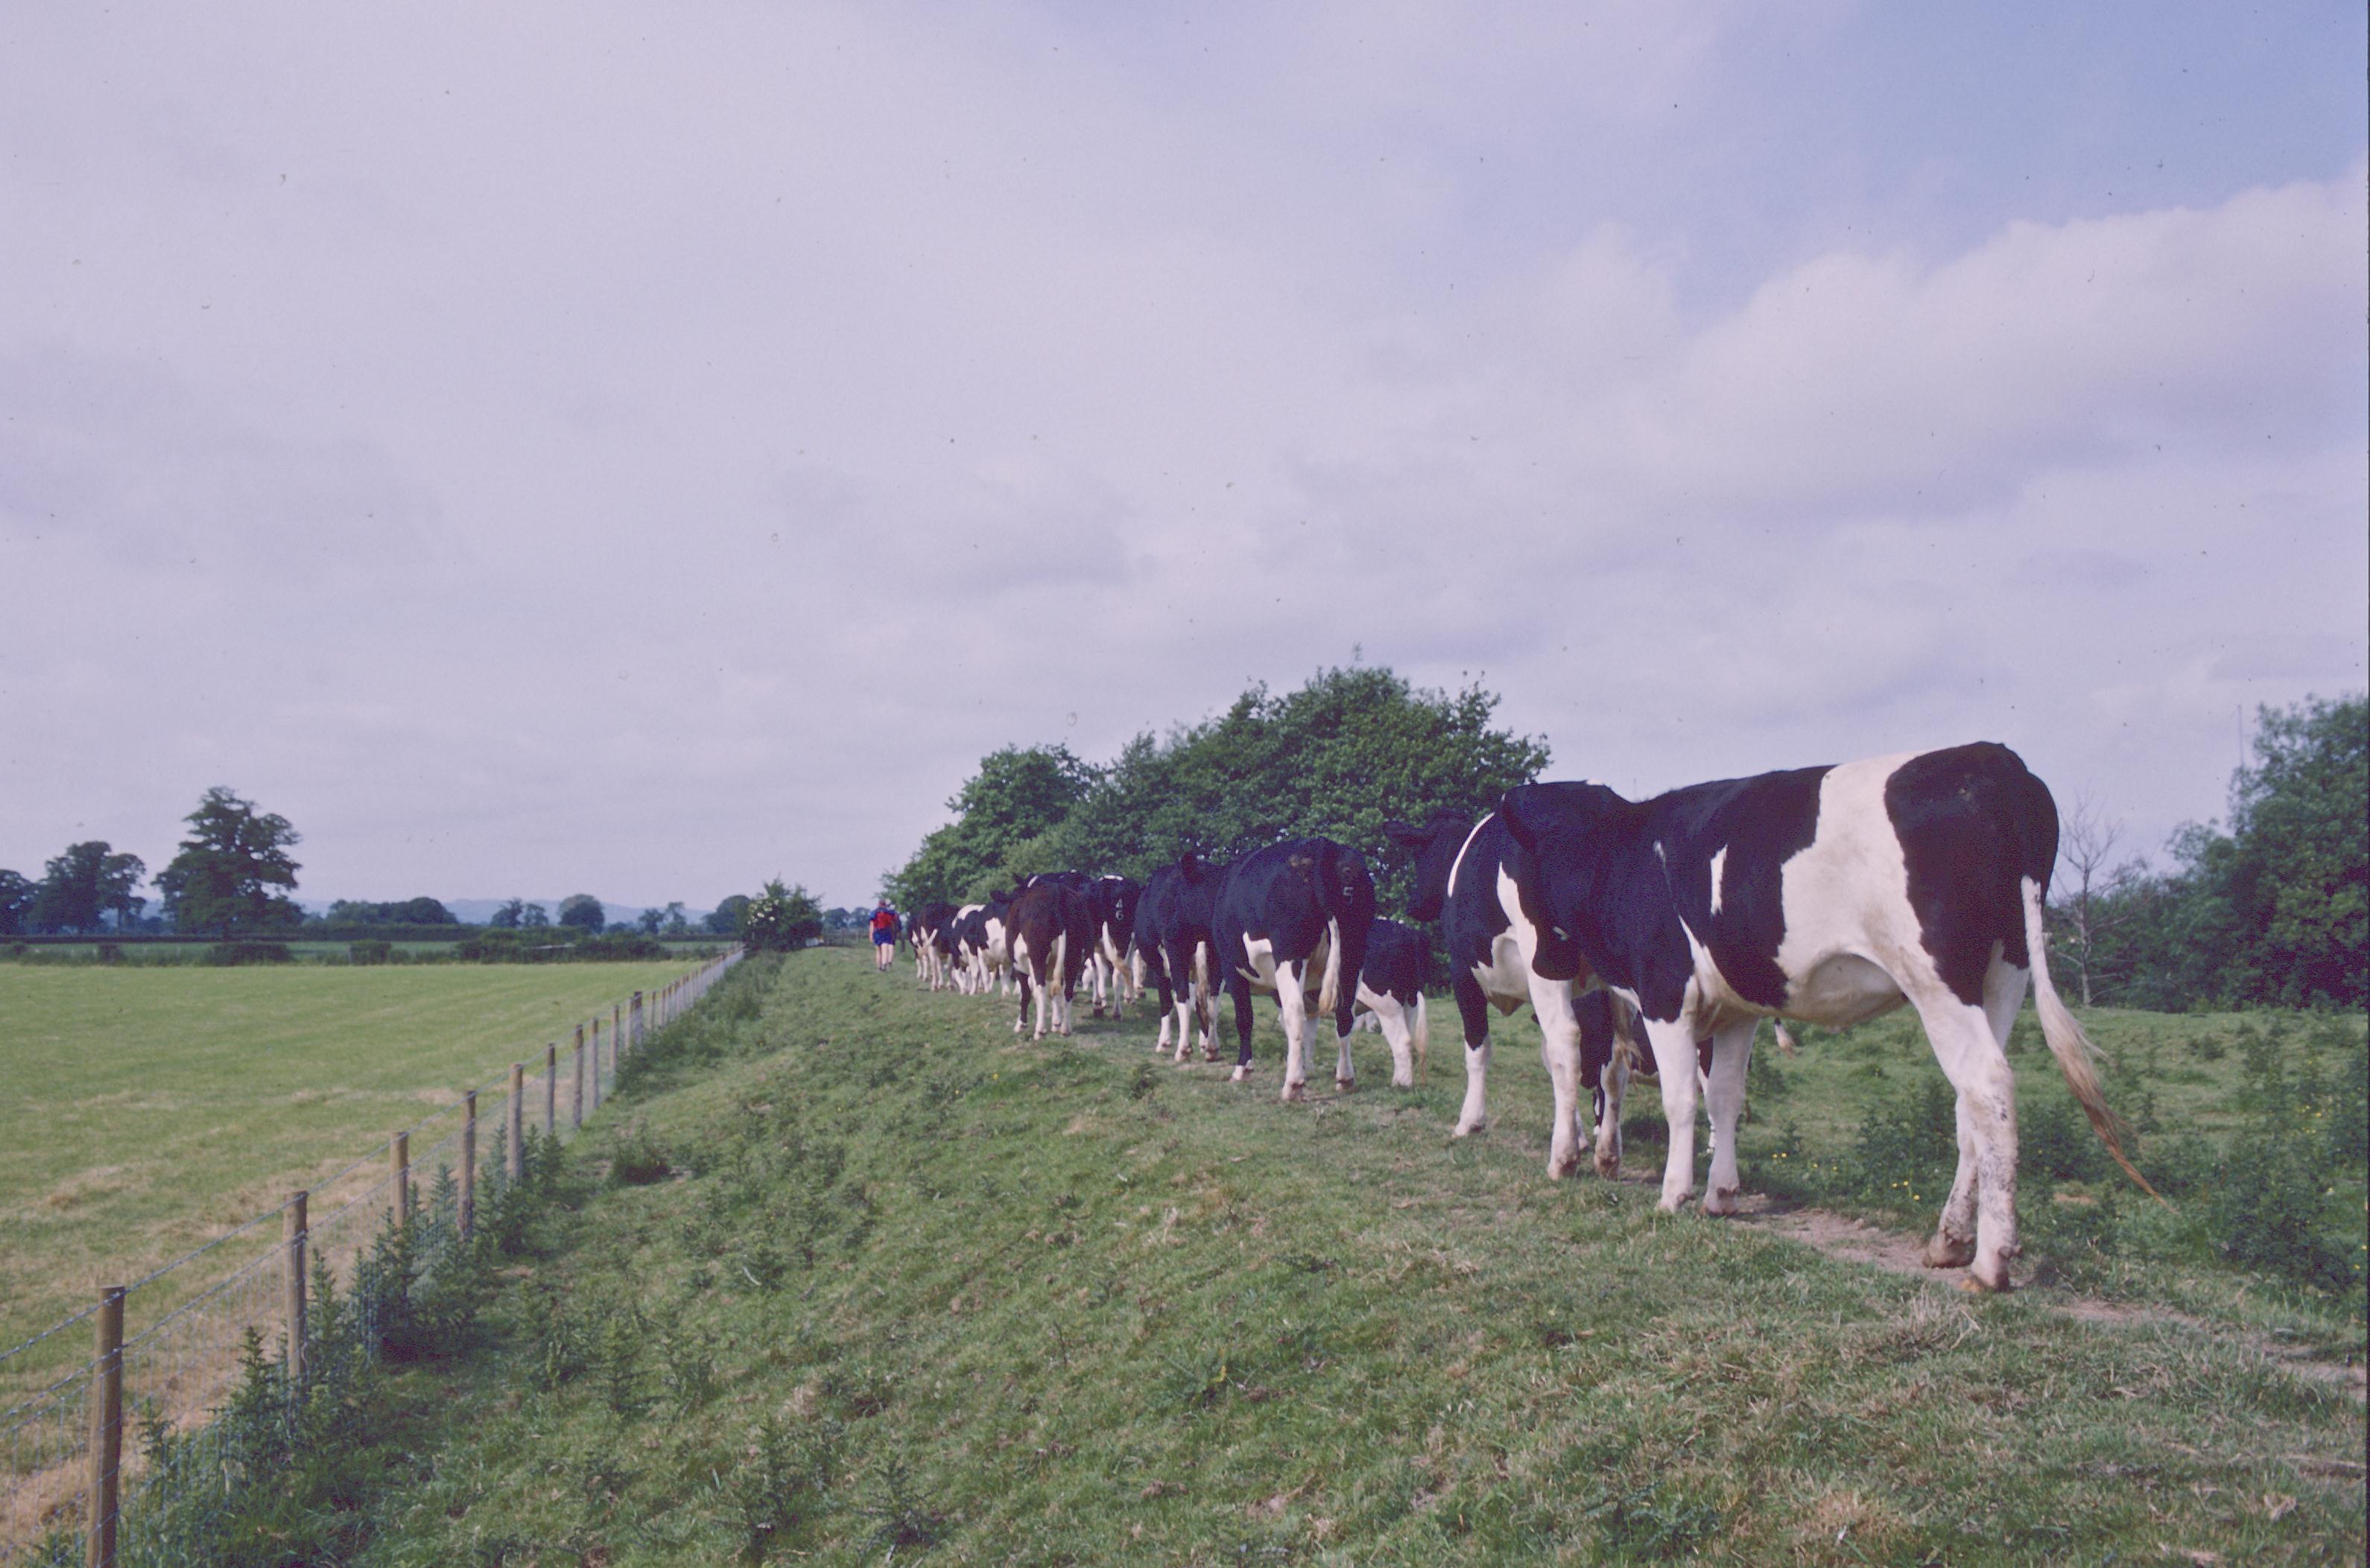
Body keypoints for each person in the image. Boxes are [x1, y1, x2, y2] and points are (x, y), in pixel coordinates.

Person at [869, 898, 899, 971]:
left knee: (878, 950)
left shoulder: (874, 913)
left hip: (877, 932)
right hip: (887, 931)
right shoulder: (890, 913)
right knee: (885, 948)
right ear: (885, 905)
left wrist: (871, 934)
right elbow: (892, 924)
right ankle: (884, 964)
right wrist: (894, 932)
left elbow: (872, 924)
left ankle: (879, 966)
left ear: (878, 904)